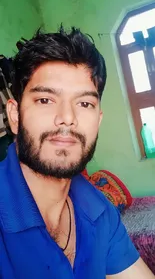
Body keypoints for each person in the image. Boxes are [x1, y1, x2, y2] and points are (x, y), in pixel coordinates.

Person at [0, 26, 154, 279]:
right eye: (45, 100)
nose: (67, 118)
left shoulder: (100, 209)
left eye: (84, 103)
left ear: (98, 120)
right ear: (15, 116)